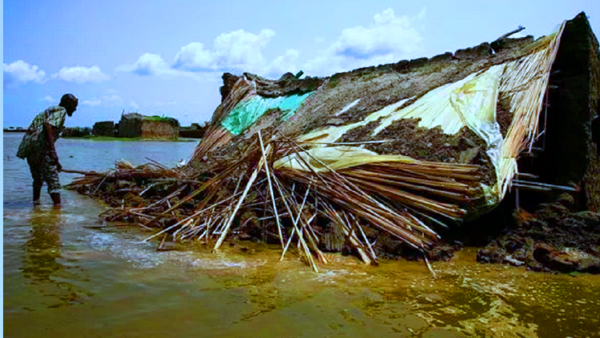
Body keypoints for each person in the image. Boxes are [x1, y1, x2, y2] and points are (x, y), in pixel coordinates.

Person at [16, 94, 79, 206]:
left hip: (31, 150)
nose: (75, 109)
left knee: (38, 180)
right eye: (74, 106)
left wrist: (56, 162)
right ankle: (57, 213)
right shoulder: (61, 110)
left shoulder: (48, 112)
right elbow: (48, 125)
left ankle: (36, 205)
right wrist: (52, 152)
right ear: (68, 104)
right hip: (42, 149)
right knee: (53, 182)